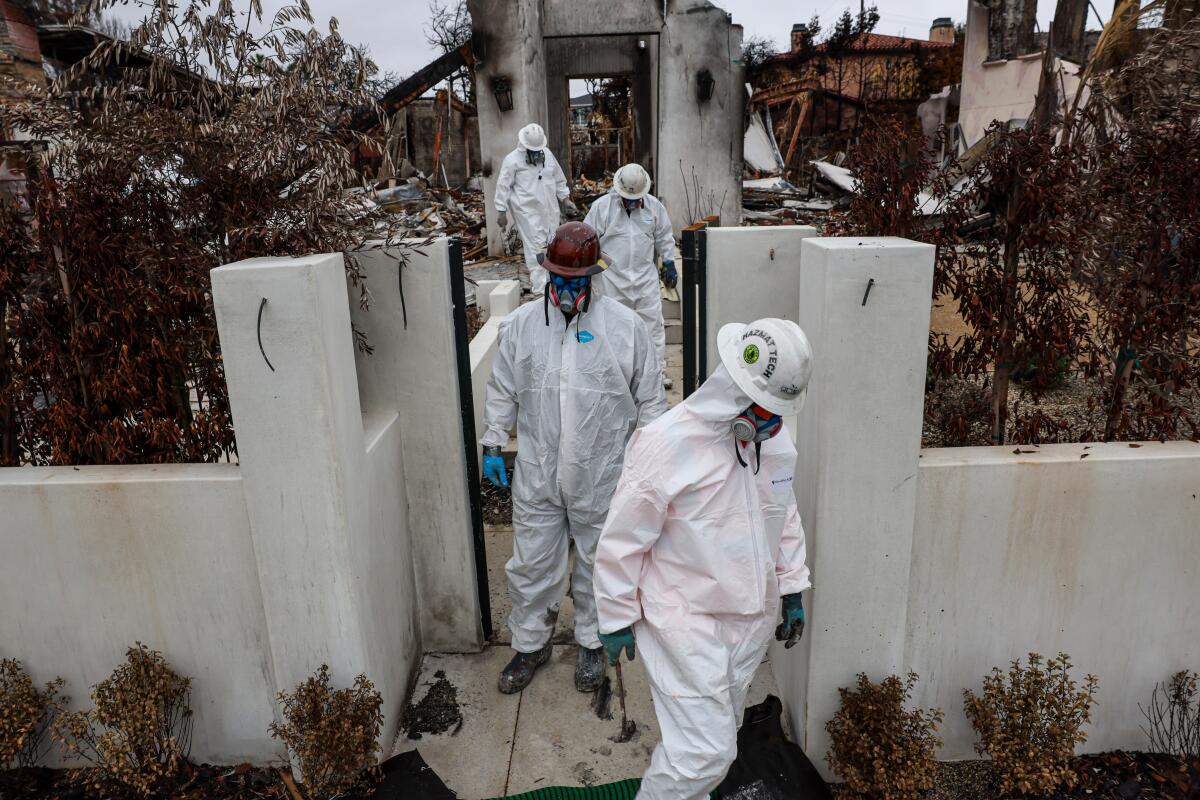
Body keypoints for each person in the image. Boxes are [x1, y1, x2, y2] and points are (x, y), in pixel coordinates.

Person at [592, 318, 814, 800]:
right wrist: (614, 615)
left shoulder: (770, 441)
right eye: (766, 410)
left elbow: (784, 510)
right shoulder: (667, 445)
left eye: (781, 412)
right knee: (705, 753)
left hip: (747, 621)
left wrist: (792, 585)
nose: (775, 424)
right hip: (683, 619)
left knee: (719, 734)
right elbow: (622, 539)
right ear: (735, 394)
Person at [479, 221, 667, 696]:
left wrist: (647, 461)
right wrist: (494, 441)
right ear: (546, 275)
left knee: (595, 563)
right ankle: (530, 643)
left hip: (602, 475)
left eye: (575, 281)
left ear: (593, 278)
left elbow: (651, 402)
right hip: (538, 473)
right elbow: (502, 388)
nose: (565, 289)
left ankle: (589, 642)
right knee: (530, 565)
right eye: (558, 279)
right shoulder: (521, 326)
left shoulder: (625, 329)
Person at [583, 163, 676, 386]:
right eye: (628, 199)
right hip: (612, 281)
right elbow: (587, 239)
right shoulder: (601, 208)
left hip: (645, 281)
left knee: (652, 328)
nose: (633, 203)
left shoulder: (654, 208)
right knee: (613, 329)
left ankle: (656, 373)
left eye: (636, 199)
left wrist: (669, 261)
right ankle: (617, 375)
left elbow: (664, 236)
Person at [494, 123, 576, 295]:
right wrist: (501, 211)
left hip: (550, 211)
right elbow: (503, 186)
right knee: (536, 250)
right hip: (527, 213)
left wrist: (565, 198)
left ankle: (554, 284)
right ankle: (540, 291)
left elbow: (558, 178)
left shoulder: (547, 154)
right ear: (524, 145)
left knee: (553, 245)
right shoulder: (512, 160)